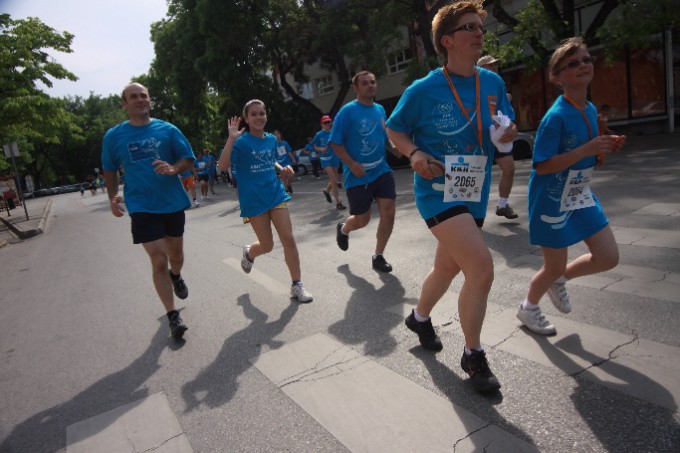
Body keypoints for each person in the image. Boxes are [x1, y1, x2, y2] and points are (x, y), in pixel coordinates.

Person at [386, 0, 516, 393]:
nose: (479, 33)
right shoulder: (423, 89)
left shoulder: (492, 83)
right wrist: (414, 153)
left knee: (446, 269)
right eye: (469, 27)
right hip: (437, 191)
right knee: (481, 267)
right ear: (447, 41)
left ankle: (419, 318)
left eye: (480, 27)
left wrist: (507, 132)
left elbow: (503, 123)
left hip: (473, 188)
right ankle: (473, 355)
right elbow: (395, 130)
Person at [516, 37, 625, 335]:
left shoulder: (589, 108)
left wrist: (603, 148)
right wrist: (586, 149)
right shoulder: (555, 118)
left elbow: (586, 153)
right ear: (557, 77)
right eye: (573, 63)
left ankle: (560, 280)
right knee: (552, 265)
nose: (583, 65)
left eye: (587, 60)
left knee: (608, 257)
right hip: (551, 199)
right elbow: (542, 165)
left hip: (579, 194)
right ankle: (528, 307)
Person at [102, 82, 195, 339]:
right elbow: (109, 168)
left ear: (150, 100)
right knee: (158, 259)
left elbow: (188, 159)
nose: (140, 99)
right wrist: (112, 196)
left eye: (143, 95)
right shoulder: (114, 136)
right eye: (134, 97)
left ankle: (176, 275)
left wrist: (174, 168)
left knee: (176, 257)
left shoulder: (168, 130)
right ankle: (173, 315)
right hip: (141, 205)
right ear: (125, 104)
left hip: (171, 202)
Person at [217, 99, 313, 303]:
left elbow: (270, 160)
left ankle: (296, 285)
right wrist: (231, 139)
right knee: (267, 245)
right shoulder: (241, 142)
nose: (259, 117)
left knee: (288, 238)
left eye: (262, 113)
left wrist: (282, 169)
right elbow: (222, 166)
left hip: (275, 194)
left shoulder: (270, 139)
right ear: (246, 118)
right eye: (254, 114)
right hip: (253, 200)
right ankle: (249, 254)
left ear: (266, 116)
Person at [330, 71, 396, 273]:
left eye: (373, 82)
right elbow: (335, 142)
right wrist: (351, 164)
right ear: (356, 88)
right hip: (358, 174)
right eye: (365, 83)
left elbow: (384, 136)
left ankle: (378, 256)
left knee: (389, 212)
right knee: (362, 219)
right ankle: (344, 228)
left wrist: (395, 148)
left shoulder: (380, 109)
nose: (370, 86)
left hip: (381, 169)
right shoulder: (347, 111)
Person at [477, 54, 519, 219]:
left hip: (497, 133)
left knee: (509, 168)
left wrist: (512, 126)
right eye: (491, 65)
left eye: (496, 65)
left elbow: (506, 109)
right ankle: (468, 211)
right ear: (480, 68)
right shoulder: (471, 83)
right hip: (478, 134)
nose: (495, 68)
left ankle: (502, 205)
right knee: (477, 173)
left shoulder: (498, 83)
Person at [313, 115, 346, 210]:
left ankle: (327, 191)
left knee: (334, 179)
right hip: (325, 159)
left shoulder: (334, 132)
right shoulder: (319, 134)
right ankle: (338, 203)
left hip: (335, 158)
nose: (327, 124)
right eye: (325, 122)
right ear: (322, 124)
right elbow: (315, 147)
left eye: (329, 122)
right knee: (334, 180)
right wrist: (321, 149)